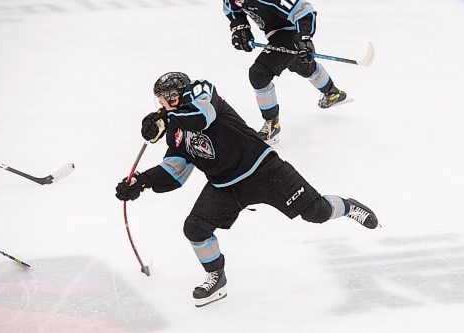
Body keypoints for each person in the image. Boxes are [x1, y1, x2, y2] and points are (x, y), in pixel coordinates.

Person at [115, 72, 377, 308]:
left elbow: (202, 119)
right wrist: (142, 181)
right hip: (225, 187)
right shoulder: (174, 130)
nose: (166, 102)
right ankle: (216, 275)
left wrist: (168, 117)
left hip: (264, 171)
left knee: (316, 212)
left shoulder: (201, 92)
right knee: (195, 227)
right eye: (161, 99)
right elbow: (175, 171)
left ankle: (348, 206)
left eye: (170, 96)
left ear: (182, 91)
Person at [223, 0, 348, 144]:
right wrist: (240, 27)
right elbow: (231, 10)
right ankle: (332, 93)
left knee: (259, 74)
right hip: (275, 34)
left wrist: (305, 37)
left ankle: (272, 125)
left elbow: (305, 10)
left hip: (291, 33)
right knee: (301, 66)